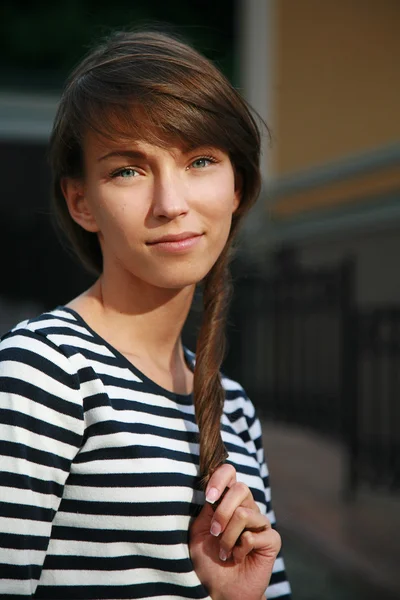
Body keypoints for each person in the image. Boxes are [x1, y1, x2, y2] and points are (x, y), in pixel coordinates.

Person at [0, 30, 292, 599]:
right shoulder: (43, 372)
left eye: (200, 160)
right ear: (81, 201)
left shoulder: (235, 411)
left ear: (238, 186)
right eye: (128, 170)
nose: (170, 204)